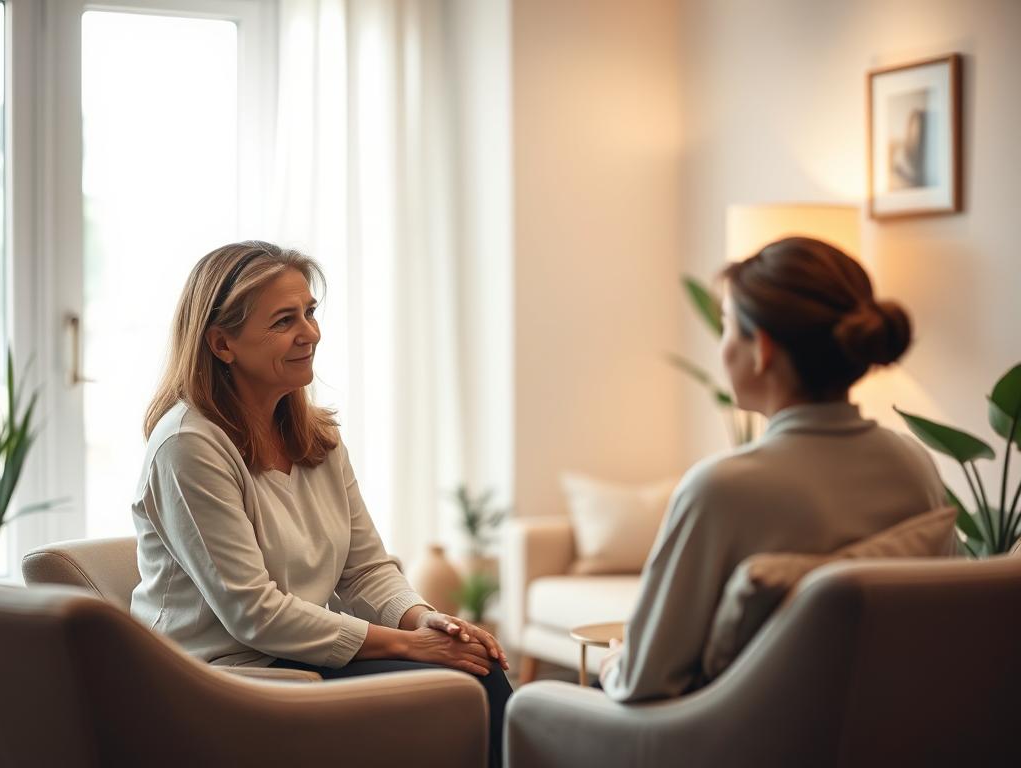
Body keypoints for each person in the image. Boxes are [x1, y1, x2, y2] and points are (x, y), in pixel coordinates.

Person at [131, 241, 512, 766]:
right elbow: (254, 615)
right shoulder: (189, 446)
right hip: (220, 679)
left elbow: (366, 570)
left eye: (309, 312)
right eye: (284, 320)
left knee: (476, 669)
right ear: (222, 344)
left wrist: (422, 620)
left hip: (297, 657)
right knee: (469, 685)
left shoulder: (317, 437)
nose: (309, 333)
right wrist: (405, 646)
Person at [598, 236, 947, 703]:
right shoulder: (914, 465)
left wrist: (612, 663)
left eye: (725, 327)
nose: (721, 348)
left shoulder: (721, 490)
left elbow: (645, 680)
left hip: (735, 745)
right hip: (894, 734)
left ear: (761, 348)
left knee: (529, 704)